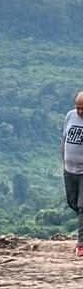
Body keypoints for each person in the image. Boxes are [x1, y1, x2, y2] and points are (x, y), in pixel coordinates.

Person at [63, 90, 83, 256]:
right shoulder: (70, 116)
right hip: (70, 170)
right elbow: (64, 139)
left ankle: (81, 244)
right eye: (78, 107)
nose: (80, 111)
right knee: (73, 203)